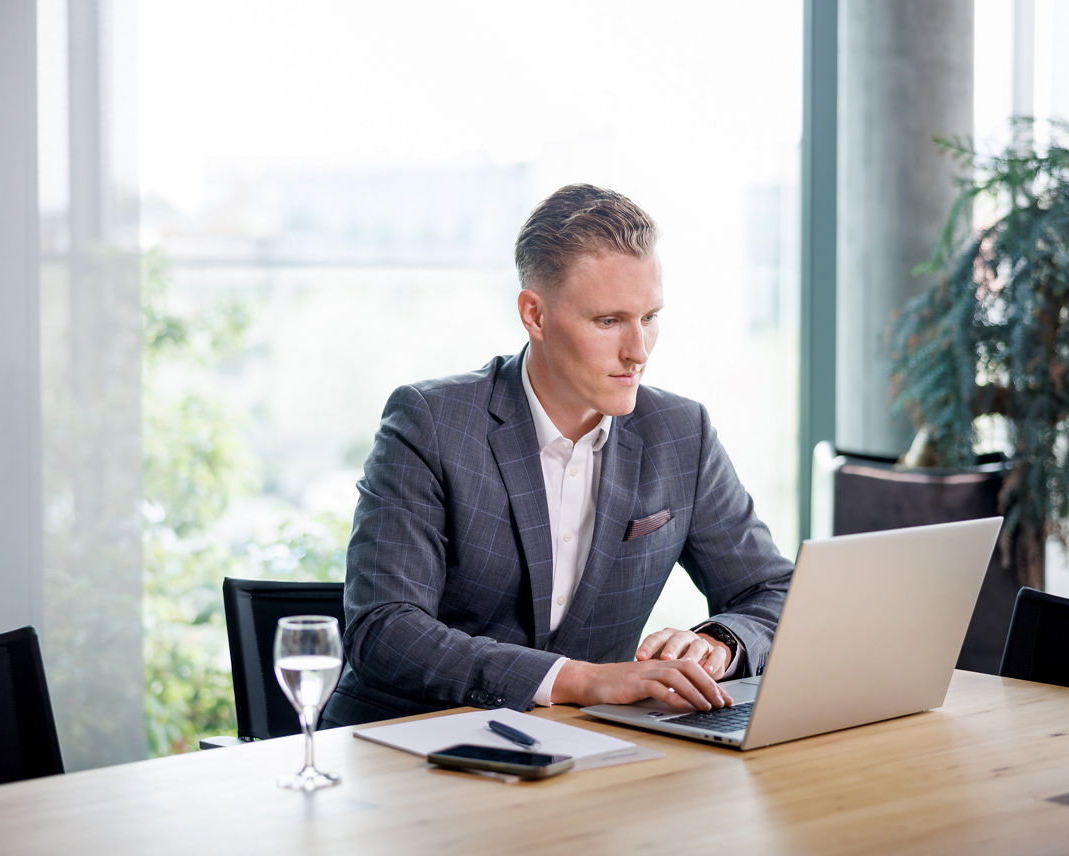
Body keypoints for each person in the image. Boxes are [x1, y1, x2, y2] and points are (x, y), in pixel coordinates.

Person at [321, 183, 793, 728]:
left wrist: (719, 645)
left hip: (582, 756)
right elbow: (386, 629)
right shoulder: (431, 421)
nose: (638, 352)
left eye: (650, 317)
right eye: (608, 321)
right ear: (535, 316)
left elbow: (772, 592)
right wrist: (581, 679)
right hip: (415, 747)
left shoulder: (681, 432)